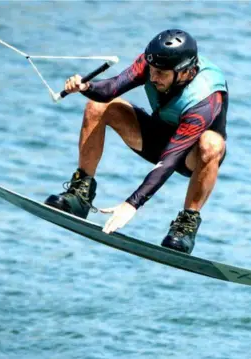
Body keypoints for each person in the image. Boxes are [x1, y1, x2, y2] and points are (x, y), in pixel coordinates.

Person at [44, 29, 228, 255]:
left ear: (185, 72)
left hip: (190, 156)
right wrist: (86, 87)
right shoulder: (154, 61)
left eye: (161, 74)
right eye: (151, 71)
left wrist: (131, 204)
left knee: (212, 144)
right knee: (98, 106)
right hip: (156, 137)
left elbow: (170, 160)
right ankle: (80, 194)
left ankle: (185, 226)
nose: (153, 77)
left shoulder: (205, 98)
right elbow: (113, 87)